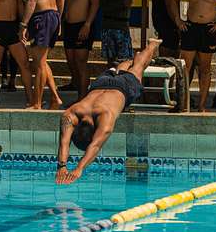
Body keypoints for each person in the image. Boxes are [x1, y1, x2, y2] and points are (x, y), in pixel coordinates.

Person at [56, 38, 161, 184]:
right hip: (100, 83)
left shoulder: (105, 117)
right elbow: (64, 142)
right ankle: (134, 58)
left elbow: (95, 145)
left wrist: (79, 168)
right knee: (127, 68)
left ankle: (153, 45)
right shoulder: (72, 113)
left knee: (139, 66)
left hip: (123, 88)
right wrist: (61, 166)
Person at [19, 0, 64, 110]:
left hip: (41, 16)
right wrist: (59, 19)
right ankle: (55, 98)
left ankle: (36, 103)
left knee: (37, 63)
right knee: (42, 60)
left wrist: (23, 24)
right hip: (53, 15)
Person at [62, 0, 99, 99]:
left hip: (82, 25)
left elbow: (95, 4)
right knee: (71, 62)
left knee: (81, 62)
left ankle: (83, 98)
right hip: (68, 26)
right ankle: (80, 93)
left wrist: (88, 24)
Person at [99, 0, 135, 68]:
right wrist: (119, 4)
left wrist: (114, 5)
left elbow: (126, 4)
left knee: (124, 58)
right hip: (107, 26)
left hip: (121, 27)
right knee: (110, 59)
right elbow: (104, 7)